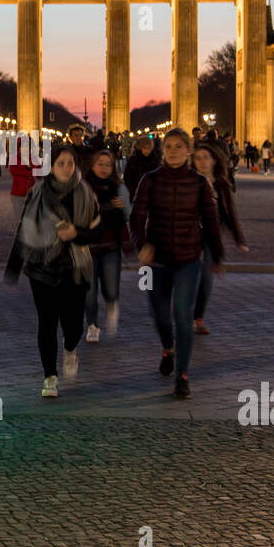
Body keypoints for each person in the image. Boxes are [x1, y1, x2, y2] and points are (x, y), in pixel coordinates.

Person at [130, 128, 222, 399]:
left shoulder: (198, 183)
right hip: (155, 261)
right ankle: (167, 349)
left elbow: (211, 220)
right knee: (159, 314)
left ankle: (182, 375)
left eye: (178, 146)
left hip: (188, 259)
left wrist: (216, 254)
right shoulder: (150, 180)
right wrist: (142, 244)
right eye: (168, 146)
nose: (172, 151)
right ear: (163, 150)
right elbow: (136, 217)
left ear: (188, 150)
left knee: (183, 316)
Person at [5, 144, 101, 397]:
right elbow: (24, 229)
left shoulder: (86, 193)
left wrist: (76, 234)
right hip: (42, 267)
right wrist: (14, 267)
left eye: (70, 163)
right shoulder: (37, 192)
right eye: (61, 163)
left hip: (75, 267)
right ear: (51, 165)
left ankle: (70, 348)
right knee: (46, 323)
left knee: (73, 326)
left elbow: (97, 232)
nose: (67, 168)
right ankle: (50, 376)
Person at [193, 142, 248, 335]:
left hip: (209, 235)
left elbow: (228, 213)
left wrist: (238, 238)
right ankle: (184, 314)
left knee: (206, 279)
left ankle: (197, 317)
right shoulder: (188, 180)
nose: (201, 162)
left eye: (205, 158)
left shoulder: (222, 183)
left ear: (214, 160)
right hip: (189, 235)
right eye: (197, 158)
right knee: (188, 276)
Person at [83, 150, 130, 343]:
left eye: (108, 165)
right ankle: (92, 325)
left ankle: (112, 305)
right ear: (92, 165)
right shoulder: (82, 188)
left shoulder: (119, 189)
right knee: (89, 291)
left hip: (111, 245)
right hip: (88, 247)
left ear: (113, 168)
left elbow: (128, 214)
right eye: (100, 163)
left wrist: (123, 206)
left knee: (111, 288)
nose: (104, 168)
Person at [123, 134, 161, 199]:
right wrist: (133, 190)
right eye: (144, 148)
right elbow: (127, 177)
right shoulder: (133, 160)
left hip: (153, 196)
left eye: (149, 148)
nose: (147, 151)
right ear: (140, 148)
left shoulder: (155, 160)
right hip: (136, 194)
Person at [9, 134, 36, 219]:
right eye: (23, 146)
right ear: (19, 147)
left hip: (32, 192)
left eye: (27, 146)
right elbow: (13, 171)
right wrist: (29, 173)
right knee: (19, 215)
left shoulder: (34, 158)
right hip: (18, 192)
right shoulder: (14, 158)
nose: (25, 149)